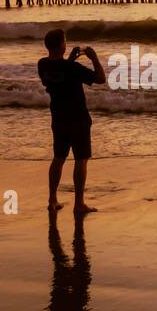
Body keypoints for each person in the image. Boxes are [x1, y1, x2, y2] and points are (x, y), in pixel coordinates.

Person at [38, 28, 105, 214]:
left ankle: (52, 200)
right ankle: (79, 203)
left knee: (58, 158)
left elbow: (58, 74)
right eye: (65, 41)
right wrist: (94, 58)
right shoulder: (72, 69)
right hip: (78, 118)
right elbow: (101, 78)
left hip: (58, 117)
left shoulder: (42, 65)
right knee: (81, 160)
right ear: (62, 45)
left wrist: (69, 60)